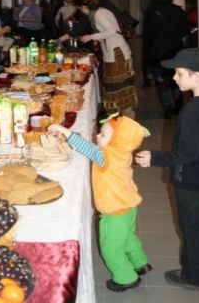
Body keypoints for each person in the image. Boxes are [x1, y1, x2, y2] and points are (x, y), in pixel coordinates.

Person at [135, 48, 199, 292]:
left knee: (191, 227)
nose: (174, 77)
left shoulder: (192, 111)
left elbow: (189, 153)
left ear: (198, 76)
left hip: (192, 179)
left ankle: (197, 277)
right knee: (198, 220)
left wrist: (155, 158)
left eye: (180, 73)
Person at [48, 115, 151, 292]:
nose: (97, 136)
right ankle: (141, 263)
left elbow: (87, 148)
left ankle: (126, 278)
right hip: (129, 207)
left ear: (117, 141)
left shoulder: (106, 157)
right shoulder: (123, 153)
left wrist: (63, 130)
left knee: (111, 248)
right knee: (128, 238)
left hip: (114, 213)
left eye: (102, 134)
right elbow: (94, 147)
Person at [81, 0, 138, 116]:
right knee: (121, 83)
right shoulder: (101, 11)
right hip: (115, 50)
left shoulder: (98, 14)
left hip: (116, 51)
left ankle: (123, 113)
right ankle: (123, 112)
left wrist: (91, 37)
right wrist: (98, 39)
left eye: (81, 9)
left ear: (84, 7)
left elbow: (111, 31)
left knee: (117, 84)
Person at [143, 0, 189, 117]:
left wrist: (146, 54)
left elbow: (147, 36)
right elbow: (185, 31)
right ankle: (179, 106)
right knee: (176, 78)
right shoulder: (178, 10)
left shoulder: (151, 13)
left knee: (161, 80)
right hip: (175, 49)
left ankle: (167, 108)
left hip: (158, 51)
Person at [139, 0, 159, 87]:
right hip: (149, 31)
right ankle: (147, 80)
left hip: (159, 32)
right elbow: (147, 10)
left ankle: (157, 78)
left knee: (158, 55)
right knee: (147, 56)